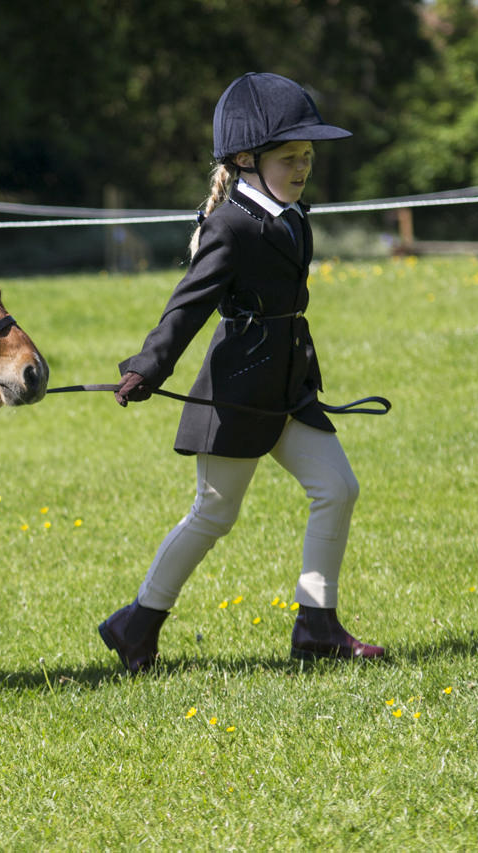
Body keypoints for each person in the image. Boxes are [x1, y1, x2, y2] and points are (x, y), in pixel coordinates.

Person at [98, 72, 384, 673]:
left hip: (289, 387)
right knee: (214, 514)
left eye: (307, 156)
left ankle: (316, 625)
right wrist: (147, 367)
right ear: (247, 160)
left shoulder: (292, 213)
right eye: (290, 157)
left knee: (337, 489)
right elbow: (188, 304)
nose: (303, 167)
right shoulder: (229, 225)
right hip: (238, 392)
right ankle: (137, 623)